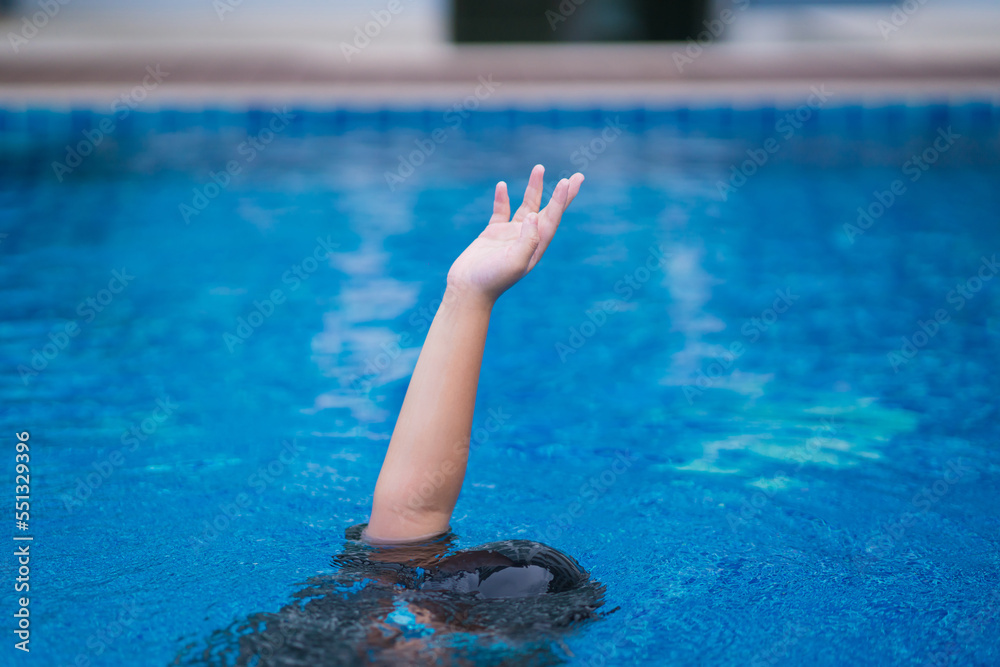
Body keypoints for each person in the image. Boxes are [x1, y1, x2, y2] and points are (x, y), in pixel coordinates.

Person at [181, 166, 605, 666]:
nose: (416, 590)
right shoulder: (384, 606)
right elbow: (411, 517)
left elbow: (411, 521)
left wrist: (468, 297)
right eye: (435, 583)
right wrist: (467, 294)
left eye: (435, 582)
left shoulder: (370, 610)